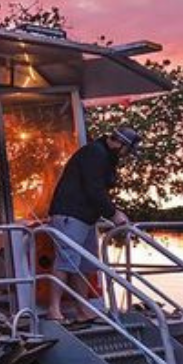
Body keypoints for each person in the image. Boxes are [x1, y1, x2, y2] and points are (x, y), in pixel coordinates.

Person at [44, 126, 141, 323]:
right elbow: (94, 188)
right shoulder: (94, 153)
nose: (127, 155)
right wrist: (113, 214)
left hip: (86, 217)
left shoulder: (106, 157)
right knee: (66, 262)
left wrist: (110, 212)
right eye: (127, 150)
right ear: (119, 143)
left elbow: (99, 190)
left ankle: (83, 309)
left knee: (85, 264)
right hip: (70, 214)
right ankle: (53, 309)